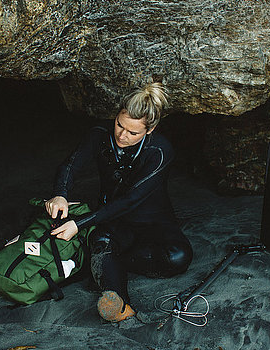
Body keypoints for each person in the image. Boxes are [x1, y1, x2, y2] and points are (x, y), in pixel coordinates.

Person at [45, 82, 193, 322]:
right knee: (102, 241)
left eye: (133, 132)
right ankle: (120, 303)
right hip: (112, 219)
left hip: (152, 220)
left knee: (178, 257)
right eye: (119, 125)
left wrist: (78, 224)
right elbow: (71, 165)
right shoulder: (99, 134)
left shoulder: (160, 151)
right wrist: (60, 193)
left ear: (150, 129)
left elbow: (131, 199)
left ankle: (109, 264)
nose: (122, 135)